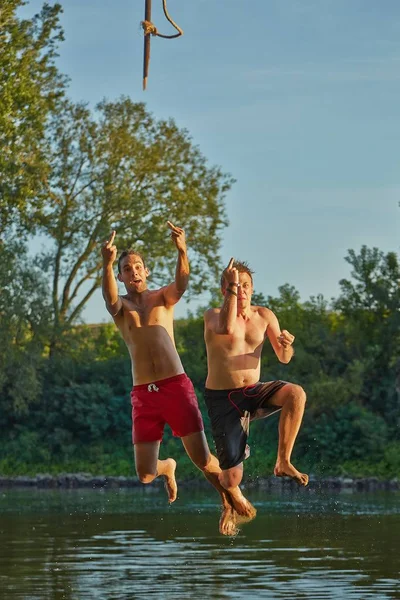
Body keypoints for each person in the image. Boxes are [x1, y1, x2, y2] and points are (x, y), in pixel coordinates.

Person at [101, 224, 255, 536]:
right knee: (145, 474)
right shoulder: (121, 309)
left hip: (175, 386)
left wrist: (182, 250)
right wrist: (106, 262)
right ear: (120, 277)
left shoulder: (162, 298)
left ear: (147, 270)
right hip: (144, 394)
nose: (133, 273)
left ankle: (228, 498)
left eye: (138, 267)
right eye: (126, 269)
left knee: (201, 458)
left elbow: (182, 283)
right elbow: (109, 297)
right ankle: (168, 467)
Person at [203, 258, 308, 496]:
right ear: (224, 289)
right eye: (234, 285)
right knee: (231, 480)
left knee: (296, 393)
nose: (241, 290)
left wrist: (287, 345)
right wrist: (232, 288)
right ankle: (224, 492)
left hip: (253, 391)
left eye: (245, 285)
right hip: (223, 399)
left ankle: (283, 460)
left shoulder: (264, 315)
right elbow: (227, 329)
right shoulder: (213, 316)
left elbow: (284, 357)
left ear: (252, 288)